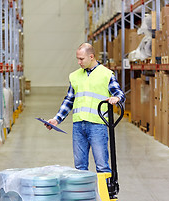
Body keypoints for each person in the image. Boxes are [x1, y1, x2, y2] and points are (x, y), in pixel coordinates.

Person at [46, 42, 125, 173]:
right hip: (78, 126)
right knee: (80, 167)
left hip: (97, 125)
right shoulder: (75, 76)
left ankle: (107, 193)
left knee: (102, 166)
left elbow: (119, 93)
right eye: (77, 59)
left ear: (92, 57)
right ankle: (83, 193)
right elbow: (69, 99)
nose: (79, 62)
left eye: (81, 59)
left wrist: (116, 98)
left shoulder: (106, 74)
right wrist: (56, 119)